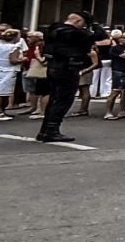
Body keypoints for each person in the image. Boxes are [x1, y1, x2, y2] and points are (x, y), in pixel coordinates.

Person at [35, 11, 96, 143]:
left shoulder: (52, 30)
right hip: (67, 68)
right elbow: (95, 37)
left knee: (54, 99)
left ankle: (45, 130)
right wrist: (92, 27)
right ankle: (52, 131)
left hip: (53, 66)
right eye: (84, 24)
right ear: (79, 21)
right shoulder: (74, 33)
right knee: (64, 99)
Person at [0, 24, 27, 121]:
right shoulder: (14, 47)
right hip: (6, 71)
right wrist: (22, 60)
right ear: (15, 37)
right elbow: (13, 60)